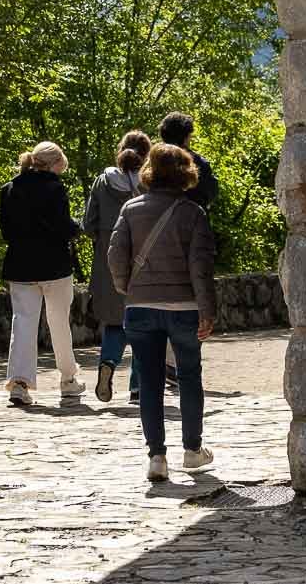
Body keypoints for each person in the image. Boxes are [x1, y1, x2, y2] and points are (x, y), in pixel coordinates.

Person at [109, 143, 217, 483]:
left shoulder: (130, 209)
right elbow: (201, 267)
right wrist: (208, 310)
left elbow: (115, 256)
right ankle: (192, 449)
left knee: (150, 380)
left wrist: (128, 288)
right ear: (185, 172)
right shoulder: (193, 214)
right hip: (184, 308)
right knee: (188, 376)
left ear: (150, 171)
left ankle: (157, 456)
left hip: (140, 308)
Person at [0, 141, 86, 406]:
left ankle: (19, 382)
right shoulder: (55, 188)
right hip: (54, 265)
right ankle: (68, 380)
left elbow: (6, 231)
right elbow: (61, 225)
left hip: (20, 265)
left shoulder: (9, 189)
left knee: (23, 322)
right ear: (54, 164)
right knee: (59, 322)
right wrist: (78, 228)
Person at [82, 130, 152, 403]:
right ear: (145, 155)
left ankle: (108, 362)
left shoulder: (102, 182)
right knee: (143, 322)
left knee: (114, 320)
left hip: (106, 259)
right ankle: (137, 387)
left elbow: (89, 224)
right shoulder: (148, 183)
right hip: (141, 260)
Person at [157, 112, 219, 389]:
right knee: (190, 297)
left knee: (161, 297)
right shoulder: (196, 162)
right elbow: (210, 191)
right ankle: (181, 361)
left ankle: (165, 362)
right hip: (191, 234)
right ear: (186, 135)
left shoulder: (153, 160)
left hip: (156, 237)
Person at [158, 112, 219, 212]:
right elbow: (209, 194)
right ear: (186, 137)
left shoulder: (151, 161)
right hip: (189, 222)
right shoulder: (199, 164)